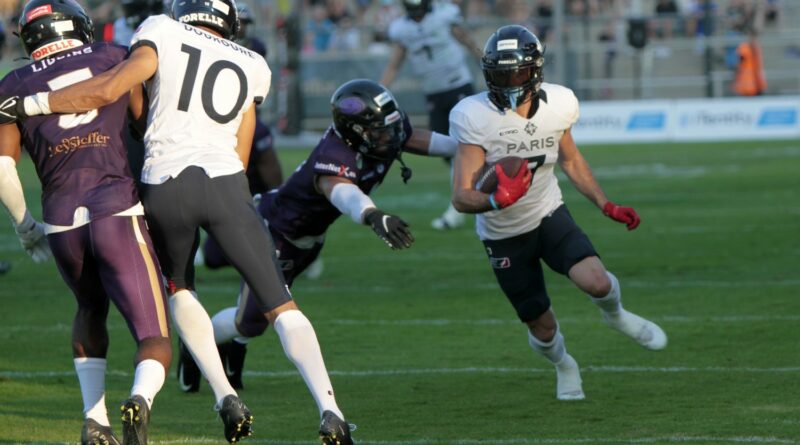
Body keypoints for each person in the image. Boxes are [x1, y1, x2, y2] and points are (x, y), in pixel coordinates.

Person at [0, 1, 353, 443]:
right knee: (278, 305)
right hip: (213, 185)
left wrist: (34, 104)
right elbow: (237, 146)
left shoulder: (160, 30)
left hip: (151, 188)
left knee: (174, 290)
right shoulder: (252, 62)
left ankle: (220, 395)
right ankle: (330, 410)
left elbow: (107, 93)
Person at [449, 25, 667, 401]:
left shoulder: (559, 103)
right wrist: (496, 200)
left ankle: (616, 315)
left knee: (597, 282)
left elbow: (570, 159)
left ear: (535, 70)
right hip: (502, 234)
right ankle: (564, 364)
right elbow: (461, 197)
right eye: (501, 74)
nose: (509, 82)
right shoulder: (474, 115)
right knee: (542, 327)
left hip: (548, 213)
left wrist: (606, 204)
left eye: (517, 72)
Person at [197, 79, 458, 390]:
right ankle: (195, 345)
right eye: (379, 131)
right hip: (274, 233)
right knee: (250, 322)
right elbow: (340, 190)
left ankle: (232, 348)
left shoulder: (382, 134)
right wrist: (371, 214)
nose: (391, 135)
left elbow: (420, 139)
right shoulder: (335, 153)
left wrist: (473, 147)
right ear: (355, 132)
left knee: (255, 321)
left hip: (308, 240)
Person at [0, 1, 172, 444]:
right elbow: (146, 125)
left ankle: (95, 421)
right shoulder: (113, 55)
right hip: (116, 207)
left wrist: (26, 227)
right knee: (153, 336)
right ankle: (139, 399)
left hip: (61, 221)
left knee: (89, 308)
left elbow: (2, 169)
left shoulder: (13, 83)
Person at [380, 0, 482, 231]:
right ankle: (473, 190)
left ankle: (459, 206)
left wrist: (485, 62)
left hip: (458, 85)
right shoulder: (401, 28)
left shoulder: (444, 15)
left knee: (463, 146)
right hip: (433, 92)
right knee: (447, 149)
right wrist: (379, 91)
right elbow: (395, 63)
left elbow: (467, 40)